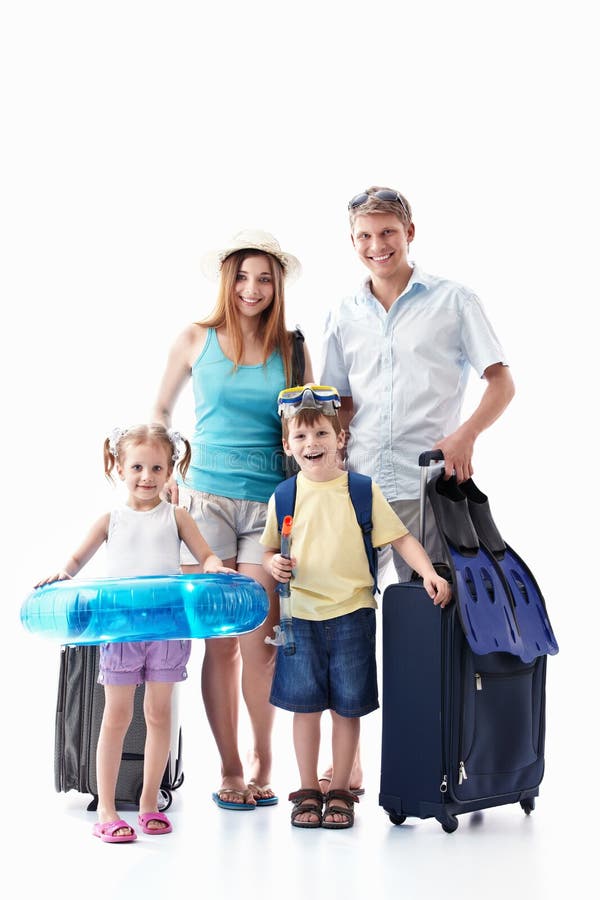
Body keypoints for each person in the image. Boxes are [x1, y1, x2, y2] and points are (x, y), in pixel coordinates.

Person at [319, 186, 515, 794]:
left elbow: (502, 383)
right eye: (364, 237)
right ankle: (347, 765)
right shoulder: (343, 310)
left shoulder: (454, 301)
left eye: (388, 233)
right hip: (355, 494)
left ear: (410, 231)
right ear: (352, 242)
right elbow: (337, 401)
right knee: (345, 626)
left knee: (423, 628)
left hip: (426, 491)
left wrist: (466, 436)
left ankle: (430, 755)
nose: (377, 246)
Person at [152, 228, 314, 809]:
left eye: (264, 278)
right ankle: (227, 767)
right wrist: (167, 463)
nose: (252, 289)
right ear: (227, 280)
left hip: (270, 505)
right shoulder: (197, 339)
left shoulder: (293, 347)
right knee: (219, 643)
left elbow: (307, 422)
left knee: (260, 641)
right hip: (207, 503)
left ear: (277, 285)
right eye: (243, 277)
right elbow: (161, 408)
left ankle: (263, 759)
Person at [260, 386, 451, 829]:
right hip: (300, 618)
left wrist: (427, 573)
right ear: (288, 446)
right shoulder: (284, 496)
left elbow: (401, 538)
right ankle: (308, 789)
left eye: (322, 433)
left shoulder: (362, 491)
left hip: (353, 616)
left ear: (340, 438)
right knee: (304, 708)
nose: (313, 445)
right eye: (302, 438)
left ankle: (342, 789)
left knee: (347, 709)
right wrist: (274, 564)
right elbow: (270, 548)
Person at [35, 424, 233, 842]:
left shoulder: (177, 516)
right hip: (123, 631)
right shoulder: (112, 519)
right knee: (117, 716)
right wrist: (64, 572)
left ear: (170, 470)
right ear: (119, 468)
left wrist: (215, 565)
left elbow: (205, 554)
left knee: (159, 715)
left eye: (157, 467)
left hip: (166, 629)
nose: (147, 476)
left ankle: (147, 801)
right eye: (138, 467)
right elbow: (77, 556)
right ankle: (106, 809)